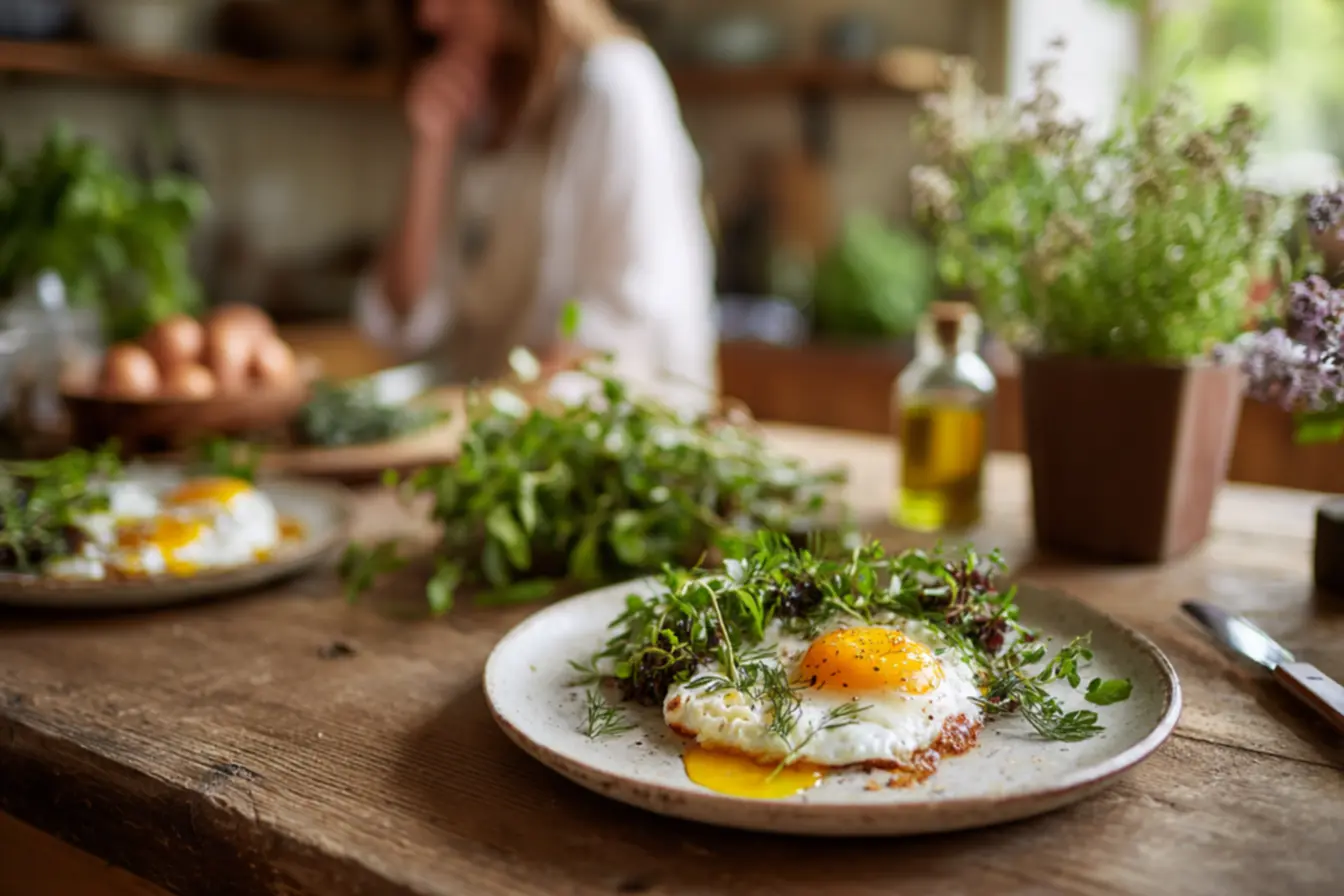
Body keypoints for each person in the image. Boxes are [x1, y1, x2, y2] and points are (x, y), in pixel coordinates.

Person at [358, 0, 717, 411]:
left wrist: (520, 391)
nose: (429, 16)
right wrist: (430, 150)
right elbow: (407, 314)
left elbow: (633, 316)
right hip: (494, 419)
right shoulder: (472, 105)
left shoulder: (615, 82)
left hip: (607, 418)